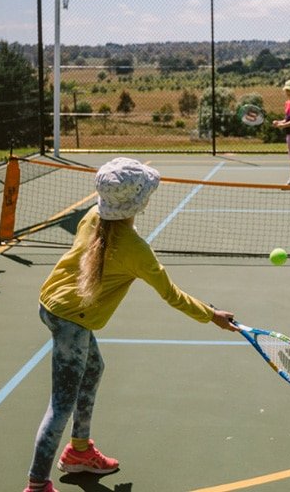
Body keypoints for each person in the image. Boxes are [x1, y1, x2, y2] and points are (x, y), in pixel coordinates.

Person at [24, 157, 238, 492]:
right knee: (61, 403)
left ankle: (80, 451)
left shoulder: (93, 216)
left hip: (52, 304)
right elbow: (173, 295)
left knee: (93, 369)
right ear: (139, 202)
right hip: (71, 320)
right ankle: (37, 485)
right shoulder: (137, 251)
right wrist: (212, 315)